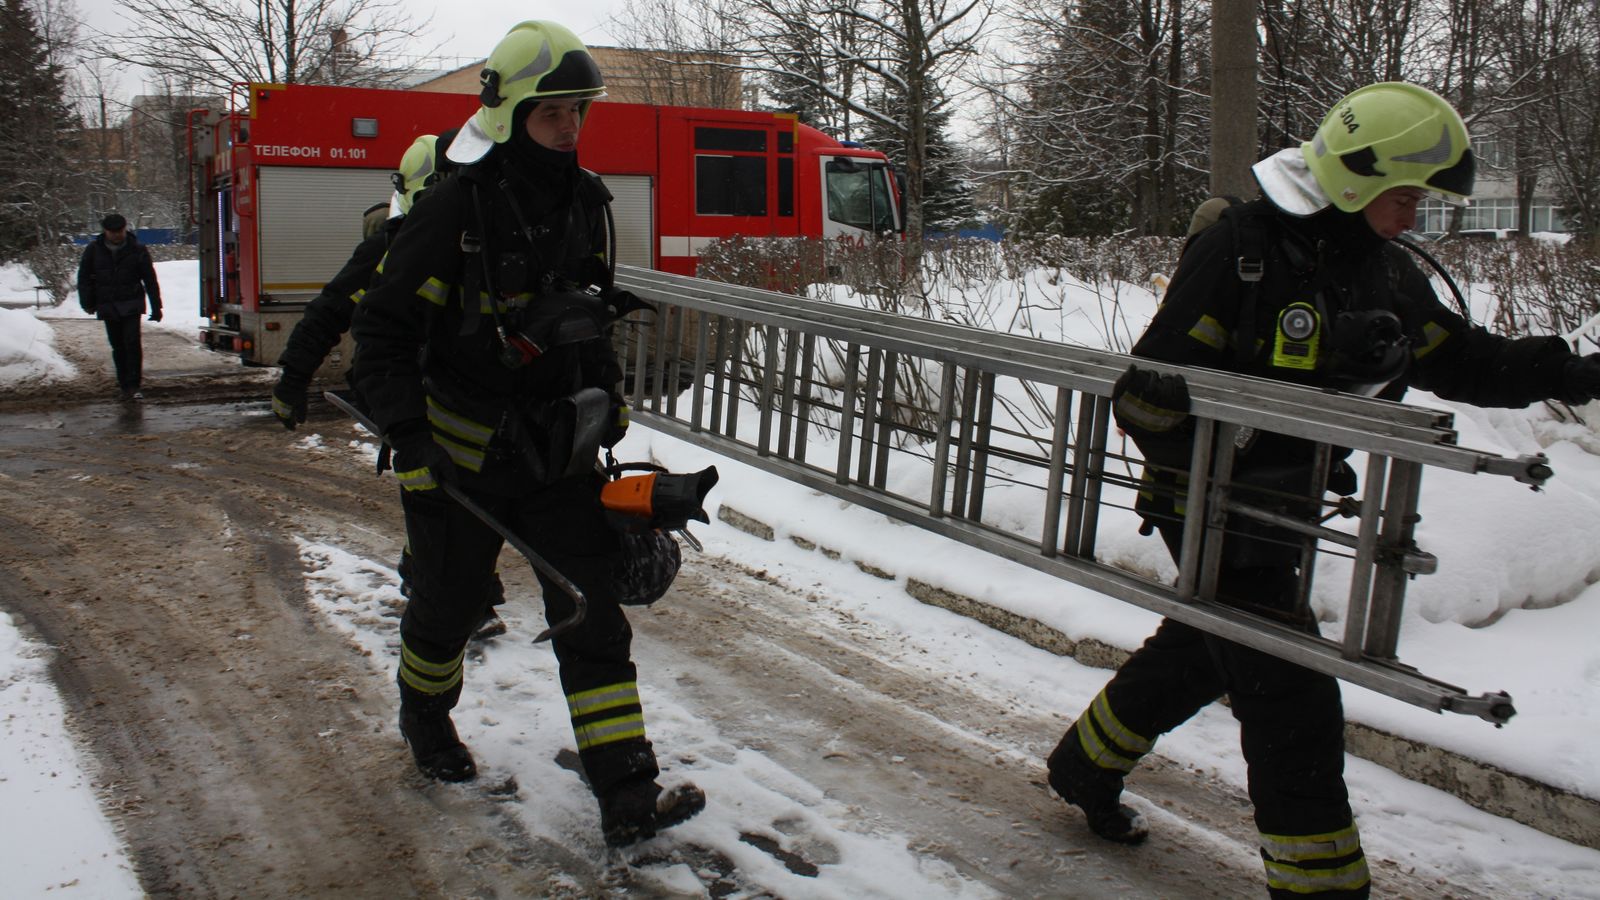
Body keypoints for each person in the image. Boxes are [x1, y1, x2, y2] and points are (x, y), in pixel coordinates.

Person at [1045, 82, 1600, 898]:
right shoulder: (1240, 247)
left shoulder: (1383, 272)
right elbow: (1151, 385)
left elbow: (1463, 359)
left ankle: (1083, 766)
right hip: (1202, 500)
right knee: (1290, 693)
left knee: (1204, 648)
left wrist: (1573, 372)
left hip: (1288, 504)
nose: (1414, 216)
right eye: (1404, 197)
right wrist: (1204, 418)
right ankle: (1323, 888)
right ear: (1353, 183)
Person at [349, 20, 701, 847]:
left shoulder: (586, 204)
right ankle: (427, 722)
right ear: (509, 117)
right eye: (554, 115)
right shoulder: (452, 211)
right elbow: (380, 341)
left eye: (579, 113)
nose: (571, 130)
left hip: (557, 464)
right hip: (460, 467)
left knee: (594, 619)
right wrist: (411, 438)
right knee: (445, 612)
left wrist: (605, 397)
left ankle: (626, 793)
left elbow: (587, 318)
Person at [270, 132, 510, 642]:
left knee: (457, 503)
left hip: (464, 397)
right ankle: (453, 599)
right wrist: (292, 380)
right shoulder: (391, 248)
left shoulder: (485, 240)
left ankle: (450, 587)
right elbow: (329, 312)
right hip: (410, 397)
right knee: (437, 501)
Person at [77, 213, 163, 401]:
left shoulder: (137, 249)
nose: (117, 235)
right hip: (108, 305)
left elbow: (149, 279)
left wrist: (157, 307)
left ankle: (133, 385)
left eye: (120, 231)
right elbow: (84, 278)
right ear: (105, 231)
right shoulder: (93, 250)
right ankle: (124, 384)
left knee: (132, 343)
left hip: (131, 303)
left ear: (125, 229)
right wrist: (88, 302)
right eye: (112, 232)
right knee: (118, 345)